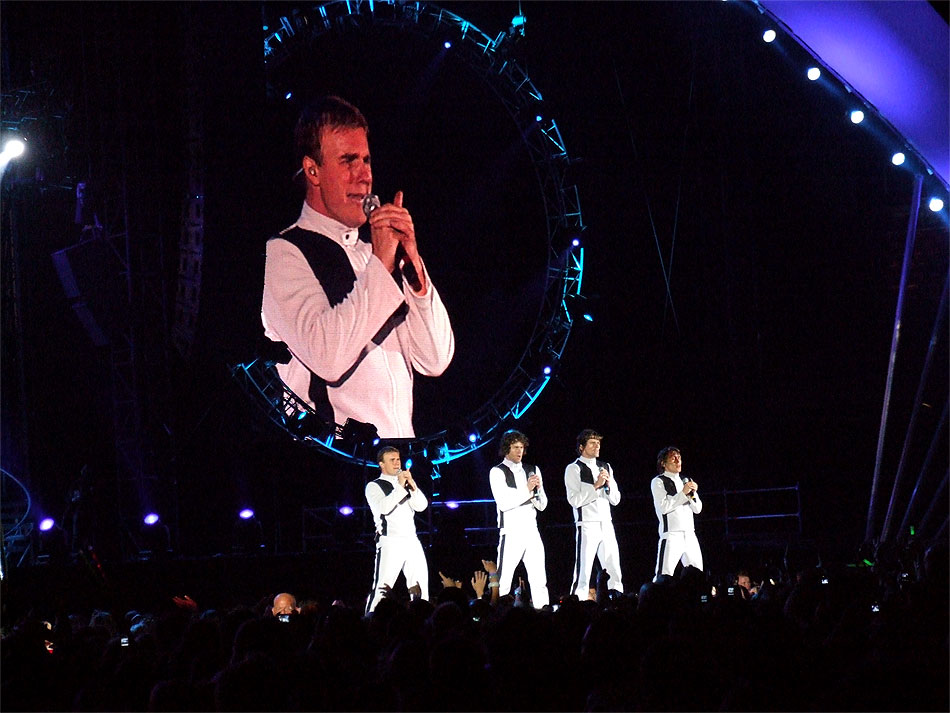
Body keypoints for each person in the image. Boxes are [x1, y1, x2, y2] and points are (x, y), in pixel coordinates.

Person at [261, 95, 455, 438]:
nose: (364, 176)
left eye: (366, 160)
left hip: (398, 465)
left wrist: (413, 268)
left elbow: (436, 358)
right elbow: (328, 357)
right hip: (332, 468)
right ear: (312, 170)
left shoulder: (375, 255)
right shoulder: (283, 254)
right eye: (348, 161)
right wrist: (382, 263)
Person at [365, 446, 429, 613]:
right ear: (381, 464)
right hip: (390, 541)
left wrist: (412, 485)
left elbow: (421, 506)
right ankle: (370, 619)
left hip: (411, 540)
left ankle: (422, 618)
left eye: (398, 459)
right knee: (382, 586)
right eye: (391, 460)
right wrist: (400, 486)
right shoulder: (374, 486)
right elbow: (384, 508)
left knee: (420, 584)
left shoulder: (405, 483)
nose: (396, 463)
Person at [489, 430, 549, 608]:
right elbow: (504, 502)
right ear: (506, 448)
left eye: (521, 447)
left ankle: (543, 612)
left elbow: (543, 504)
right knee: (504, 579)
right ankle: (500, 614)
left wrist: (536, 493)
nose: (519, 451)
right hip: (511, 532)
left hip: (532, 530)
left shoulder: (533, 469)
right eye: (515, 447)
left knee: (539, 578)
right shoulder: (497, 471)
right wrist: (527, 490)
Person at [564, 429, 623, 598]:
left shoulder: (606, 467)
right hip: (587, 525)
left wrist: (608, 484)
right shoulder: (573, 468)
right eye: (592, 443)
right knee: (583, 570)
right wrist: (596, 485)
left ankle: (618, 600)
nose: (597, 446)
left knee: (613, 567)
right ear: (582, 447)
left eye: (598, 443)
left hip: (606, 523)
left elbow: (616, 499)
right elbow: (574, 500)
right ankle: (576, 604)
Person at [651, 446, 703, 581]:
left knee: (697, 574)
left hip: (690, 534)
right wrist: (683, 494)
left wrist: (692, 494)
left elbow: (698, 508)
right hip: (671, 535)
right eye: (673, 458)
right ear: (663, 463)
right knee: (663, 575)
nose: (677, 460)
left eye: (679, 457)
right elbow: (663, 507)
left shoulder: (685, 480)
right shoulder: (659, 481)